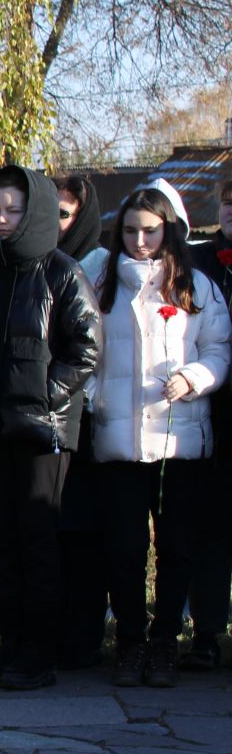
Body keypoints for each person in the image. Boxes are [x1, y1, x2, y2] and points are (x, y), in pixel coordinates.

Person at [0, 165, 102, 691]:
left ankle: (40, 649)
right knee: (5, 545)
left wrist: (43, 398)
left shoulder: (62, 272)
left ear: (32, 213)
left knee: (38, 542)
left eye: (12, 210)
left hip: (42, 436)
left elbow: (86, 348)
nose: (3, 219)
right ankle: (10, 643)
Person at [87, 183, 228, 687]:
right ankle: (129, 640)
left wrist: (194, 378)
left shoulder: (195, 284)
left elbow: (218, 349)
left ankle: (165, 640)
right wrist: (91, 396)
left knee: (177, 547)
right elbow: (84, 348)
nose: (140, 241)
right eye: (130, 231)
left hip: (180, 439)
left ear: (168, 230)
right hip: (119, 439)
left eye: (150, 231)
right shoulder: (100, 278)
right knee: (124, 548)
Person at [54, 171, 110, 669]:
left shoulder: (99, 266)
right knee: (56, 527)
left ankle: (86, 634)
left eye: (65, 213)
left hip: (91, 415)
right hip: (54, 418)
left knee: (86, 532)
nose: (56, 223)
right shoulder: (41, 264)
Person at [186, 176, 232, 670]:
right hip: (212, 413)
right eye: (227, 201)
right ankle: (207, 633)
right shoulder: (198, 261)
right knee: (210, 529)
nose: (231, 210)